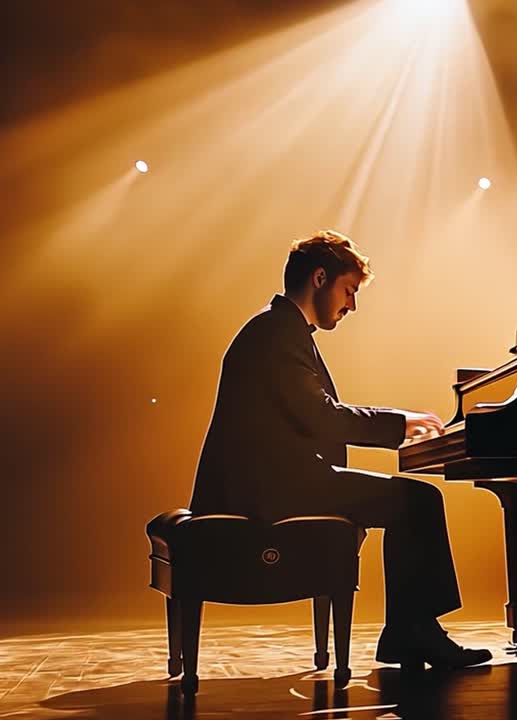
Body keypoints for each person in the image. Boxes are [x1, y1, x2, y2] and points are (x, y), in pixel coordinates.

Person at [189, 229, 490, 670]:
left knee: (411, 500)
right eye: (348, 291)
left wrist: (393, 422)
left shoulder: (280, 330)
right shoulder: (277, 334)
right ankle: (413, 632)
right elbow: (321, 417)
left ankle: (410, 631)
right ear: (319, 278)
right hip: (266, 489)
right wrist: (399, 423)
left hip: (272, 479)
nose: (351, 305)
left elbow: (314, 417)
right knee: (419, 500)